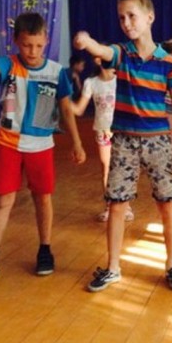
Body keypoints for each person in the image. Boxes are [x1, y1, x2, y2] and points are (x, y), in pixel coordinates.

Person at [73, 0, 172, 292]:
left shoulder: (169, 63)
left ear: (150, 17)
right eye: (121, 17)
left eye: (132, 16)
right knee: (116, 204)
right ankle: (113, 267)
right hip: (123, 141)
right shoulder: (121, 53)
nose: (126, 22)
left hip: (159, 142)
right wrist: (87, 42)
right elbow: (102, 50)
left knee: (168, 205)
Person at [0, 12, 85, 287]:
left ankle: (45, 249)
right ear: (17, 41)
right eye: (27, 45)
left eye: (38, 45)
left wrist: (76, 142)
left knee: (43, 198)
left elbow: (66, 109)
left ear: (46, 40)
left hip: (41, 146)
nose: (33, 51)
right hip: (9, 143)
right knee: (3, 200)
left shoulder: (57, 72)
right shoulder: (8, 64)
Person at [74, 54, 132, 223]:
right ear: (98, 61)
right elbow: (79, 109)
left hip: (122, 131)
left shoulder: (121, 80)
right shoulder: (91, 83)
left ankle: (126, 206)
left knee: (124, 168)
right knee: (107, 168)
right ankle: (109, 206)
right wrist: (63, 102)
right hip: (102, 131)